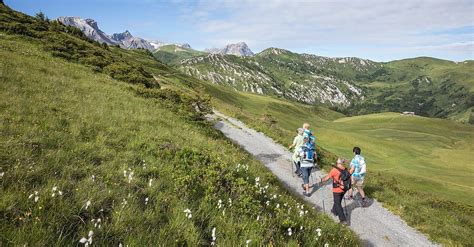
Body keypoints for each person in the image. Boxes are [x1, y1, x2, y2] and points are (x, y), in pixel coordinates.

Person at [321, 158, 348, 225]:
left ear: (338, 163)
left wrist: (322, 180)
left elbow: (327, 178)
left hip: (337, 189)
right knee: (338, 201)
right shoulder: (345, 169)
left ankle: (343, 220)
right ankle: (334, 211)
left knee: (337, 203)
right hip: (344, 189)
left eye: (336, 162)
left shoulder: (334, 170)